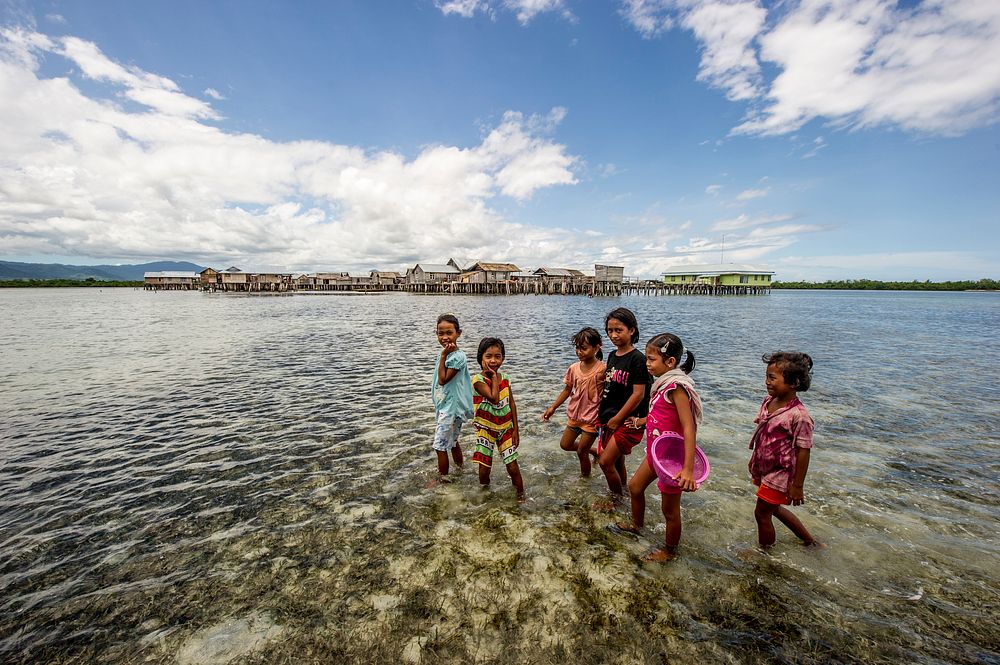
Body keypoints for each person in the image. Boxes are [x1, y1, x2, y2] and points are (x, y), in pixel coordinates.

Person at [611, 333, 703, 561]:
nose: (647, 364)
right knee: (634, 487)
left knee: (670, 511)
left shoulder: (676, 388)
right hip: (656, 453)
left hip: (671, 461)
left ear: (670, 362)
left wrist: (688, 469)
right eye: (647, 359)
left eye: (652, 359)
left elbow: (689, 427)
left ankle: (669, 551)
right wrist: (642, 421)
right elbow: (661, 413)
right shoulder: (662, 385)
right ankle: (637, 525)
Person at [749, 352, 823, 548]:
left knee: (761, 513)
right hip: (766, 467)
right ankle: (810, 541)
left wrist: (797, 486)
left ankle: (765, 553)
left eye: (772, 378)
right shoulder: (769, 401)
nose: (767, 382)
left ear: (794, 382)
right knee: (773, 509)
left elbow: (804, 451)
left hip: (781, 473)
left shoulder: (799, 416)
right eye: (766, 376)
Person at [595, 308, 649, 504]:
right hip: (609, 418)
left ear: (632, 330)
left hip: (627, 420)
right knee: (617, 461)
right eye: (610, 330)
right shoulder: (612, 355)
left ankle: (615, 500)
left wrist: (618, 419)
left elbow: (638, 394)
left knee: (605, 461)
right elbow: (611, 386)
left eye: (619, 330)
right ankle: (622, 491)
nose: (613, 335)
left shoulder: (638, 359)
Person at [542, 327, 606, 476]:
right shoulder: (574, 368)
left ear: (597, 347)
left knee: (581, 452)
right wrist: (553, 408)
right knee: (565, 444)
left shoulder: (603, 369)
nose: (579, 352)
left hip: (592, 418)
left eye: (583, 348)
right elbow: (567, 390)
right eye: (577, 348)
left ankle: (585, 481)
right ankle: (595, 451)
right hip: (575, 415)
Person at [471, 337, 524, 498]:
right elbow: (494, 397)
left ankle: (521, 496)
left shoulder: (505, 378)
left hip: (505, 428)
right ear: (481, 358)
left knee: (513, 466)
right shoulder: (478, 380)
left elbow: (511, 404)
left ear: (503, 358)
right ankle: (485, 495)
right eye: (488, 356)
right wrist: (493, 377)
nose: (493, 360)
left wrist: (516, 430)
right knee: (485, 467)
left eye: (498, 356)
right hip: (486, 429)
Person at [431, 314, 474, 479]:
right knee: (453, 442)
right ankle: (460, 469)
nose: (444, 337)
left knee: (440, 446)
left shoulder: (457, 356)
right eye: (440, 333)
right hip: (447, 406)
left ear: (458, 333)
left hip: (451, 408)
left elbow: (442, 380)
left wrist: (443, 357)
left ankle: (443, 479)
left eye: (449, 333)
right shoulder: (445, 353)